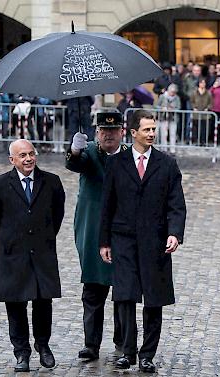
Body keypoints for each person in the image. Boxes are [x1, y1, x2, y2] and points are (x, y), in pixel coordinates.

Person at [99, 110, 186, 373]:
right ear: (133, 132)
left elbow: (177, 204)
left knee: (153, 298)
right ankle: (128, 351)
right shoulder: (116, 164)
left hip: (155, 240)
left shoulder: (167, 164)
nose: (151, 134)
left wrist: (174, 233)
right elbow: (107, 205)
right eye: (146, 129)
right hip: (123, 239)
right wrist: (104, 242)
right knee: (124, 296)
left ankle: (147, 354)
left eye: (153, 129)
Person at [0, 139, 66, 372]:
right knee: (15, 304)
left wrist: (44, 237)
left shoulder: (51, 182)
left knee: (43, 302)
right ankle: (21, 352)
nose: (28, 159)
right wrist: (8, 240)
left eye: (31, 154)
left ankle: (43, 345)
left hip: (42, 252)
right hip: (13, 254)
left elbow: (57, 214)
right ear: (12, 160)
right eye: (22, 155)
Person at [65, 112, 126, 361]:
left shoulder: (130, 156)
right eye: (103, 131)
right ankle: (91, 343)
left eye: (113, 131)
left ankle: (123, 342)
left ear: (122, 132)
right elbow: (74, 164)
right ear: (96, 133)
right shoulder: (89, 152)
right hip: (92, 228)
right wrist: (75, 150)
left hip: (122, 228)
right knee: (93, 287)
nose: (108, 135)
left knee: (123, 289)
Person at [155, 83, 181, 152]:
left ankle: (172, 148)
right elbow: (157, 106)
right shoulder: (162, 96)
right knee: (164, 134)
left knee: (173, 133)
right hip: (163, 117)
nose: (172, 93)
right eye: (171, 92)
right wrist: (162, 108)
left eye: (174, 92)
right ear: (168, 91)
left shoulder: (177, 98)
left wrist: (173, 109)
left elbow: (179, 107)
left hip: (173, 118)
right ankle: (164, 148)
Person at [190, 79, 212, 144]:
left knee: (204, 128)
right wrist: (194, 107)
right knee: (196, 128)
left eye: (204, 83)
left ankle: (204, 141)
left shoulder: (208, 93)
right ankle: (197, 141)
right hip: (196, 114)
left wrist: (207, 108)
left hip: (205, 115)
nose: (202, 84)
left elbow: (211, 103)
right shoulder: (194, 92)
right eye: (201, 83)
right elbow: (191, 101)